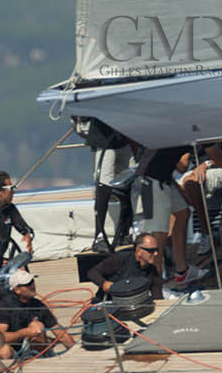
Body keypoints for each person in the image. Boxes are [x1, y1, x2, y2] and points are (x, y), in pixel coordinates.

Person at [131, 143, 199, 284]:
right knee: (159, 234)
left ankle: (182, 271)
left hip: (164, 179)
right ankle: (156, 284)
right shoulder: (184, 138)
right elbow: (182, 167)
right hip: (152, 180)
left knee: (182, 213)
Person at [0, 272, 74, 362]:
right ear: (17, 290)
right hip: (9, 349)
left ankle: (38, 362)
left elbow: (59, 332)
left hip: (30, 351)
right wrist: (24, 332)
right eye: (27, 284)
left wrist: (75, 351)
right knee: (4, 351)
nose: (32, 286)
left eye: (32, 282)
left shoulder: (38, 305)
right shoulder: (4, 306)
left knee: (37, 325)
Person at [78, 116, 135, 252]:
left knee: (131, 183)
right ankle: (99, 236)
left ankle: (126, 232)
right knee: (104, 187)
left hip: (123, 139)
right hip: (104, 140)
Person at [81, 232, 167, 303]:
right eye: (151, 251)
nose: (156, 254)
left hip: (133, 306)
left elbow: (157, 297)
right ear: (138, 251)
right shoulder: (119, 259)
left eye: (157, 250)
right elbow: (92, 273)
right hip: (108, 303)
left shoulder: (153, 271)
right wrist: (104, 283)